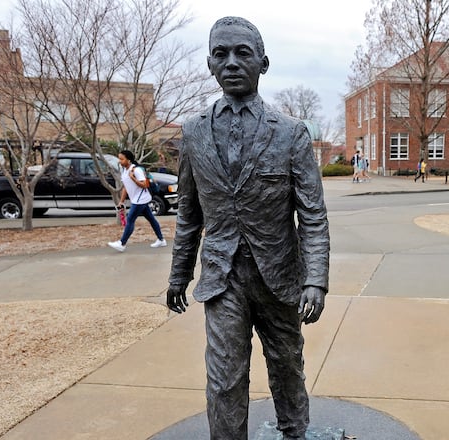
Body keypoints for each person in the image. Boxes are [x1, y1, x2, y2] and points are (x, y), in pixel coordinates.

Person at [165, 16, 330, 440]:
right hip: (222, 277)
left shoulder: (292, 134)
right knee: (224, 379)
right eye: (221, 54)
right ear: (209, 64)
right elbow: (189, 212)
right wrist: (179, 274)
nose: (232, 62)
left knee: (287, 366)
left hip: (280, 275)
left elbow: (311, 214)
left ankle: (295, 433)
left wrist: (317, 280)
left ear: (264, 63)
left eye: (243, 53)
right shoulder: (193, 132)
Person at [107, 150, 167, 252]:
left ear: (129, 160)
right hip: (137, 199)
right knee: (151, 219)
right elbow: (126, 188)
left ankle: (122, 243)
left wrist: (133, 178)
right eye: (119, 159)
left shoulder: (136, 170)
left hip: (141, 200)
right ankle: (161, 240)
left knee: (130, 219)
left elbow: (144, 184)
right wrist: (121, 201)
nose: (119, 161)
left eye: (122, 159)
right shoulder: (125, 171)